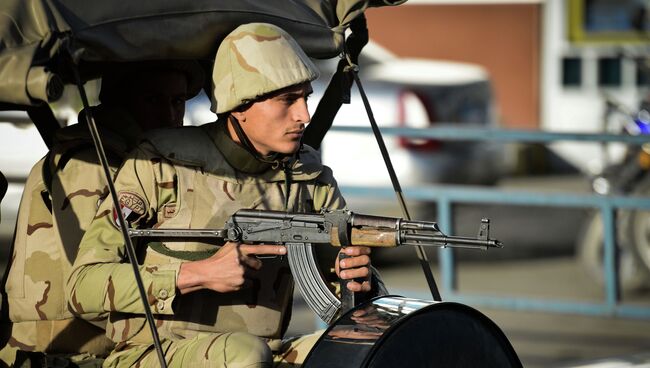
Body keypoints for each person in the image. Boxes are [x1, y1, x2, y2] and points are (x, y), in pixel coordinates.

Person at [67, 23, 381, 367]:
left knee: (372, 347)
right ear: (240, 104)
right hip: (152, 355)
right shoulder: (161, 163)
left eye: (305, 97)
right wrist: (198, 274)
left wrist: (357, 282)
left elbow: (352, 294)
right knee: (245, 355)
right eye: (287, 100)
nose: (303, 115)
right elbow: (82, 286)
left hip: (265, 351)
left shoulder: (310, 179)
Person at [0, 61, 204, 367]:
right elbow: (86, 283)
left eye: (177, 102)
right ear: (120, 101)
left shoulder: (134, 159)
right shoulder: (91, 163)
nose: (169, 116)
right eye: (152, 100)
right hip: (63, 350)